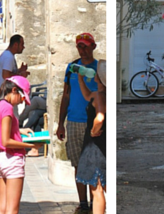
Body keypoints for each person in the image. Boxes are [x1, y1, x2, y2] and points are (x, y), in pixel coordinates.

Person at [56, 33, 99, 214]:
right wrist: (60, 123)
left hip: (92, 123)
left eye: (86, 46)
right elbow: (65, 95)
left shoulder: (99, 68)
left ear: (93, 47)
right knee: (78, 164)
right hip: (73, 121)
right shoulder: (71, 68)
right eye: (79, 46)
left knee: (93, 164)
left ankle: (96, 202)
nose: (82, 50)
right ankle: (83, 203)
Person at [0, 76, 35, 214]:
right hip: (12, 160)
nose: (21, 102)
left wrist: (18, 130)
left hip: (0, 159)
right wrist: (30, 146)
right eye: (22, 98)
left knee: (2, 208)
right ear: (14, 90)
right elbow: (6, 141)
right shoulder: (8, 109)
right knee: (12, 210)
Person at [76, 60, 106, 214]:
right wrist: (80, 78)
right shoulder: (98, 94)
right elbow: (87, 95)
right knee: (104, 185)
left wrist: (94, 130)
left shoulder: (100, 96)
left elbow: (99, 117)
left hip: (96, 145)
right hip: (102, 143)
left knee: (97, 188)